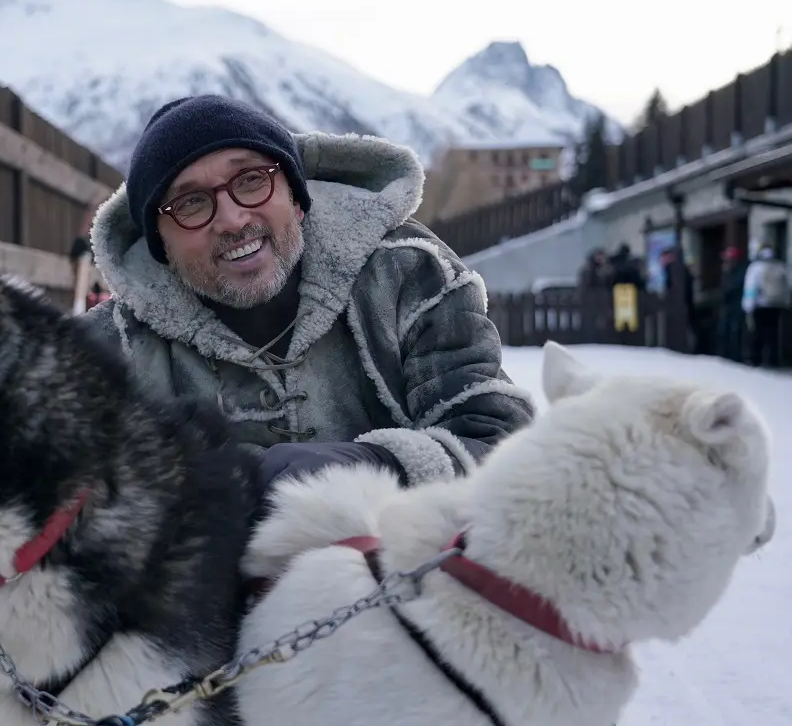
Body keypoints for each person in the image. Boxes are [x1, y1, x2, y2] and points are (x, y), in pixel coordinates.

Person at [81, 94, 535, 497]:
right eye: (191, 203)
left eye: (251, 180)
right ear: (160, 244)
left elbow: (505, 448)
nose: (233, 219)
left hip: (410, 572)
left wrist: (377, 465)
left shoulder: (407, 273)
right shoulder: (106, 353)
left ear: (296, 197)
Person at [742, 243, 789, 368]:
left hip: (760, 306)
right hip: (777, 305)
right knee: (773, 334)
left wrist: (748, 307)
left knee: (758, 333)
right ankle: (772, 360)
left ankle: (756, 360)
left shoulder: (756, 267)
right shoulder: (781, 266)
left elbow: (750, 288)